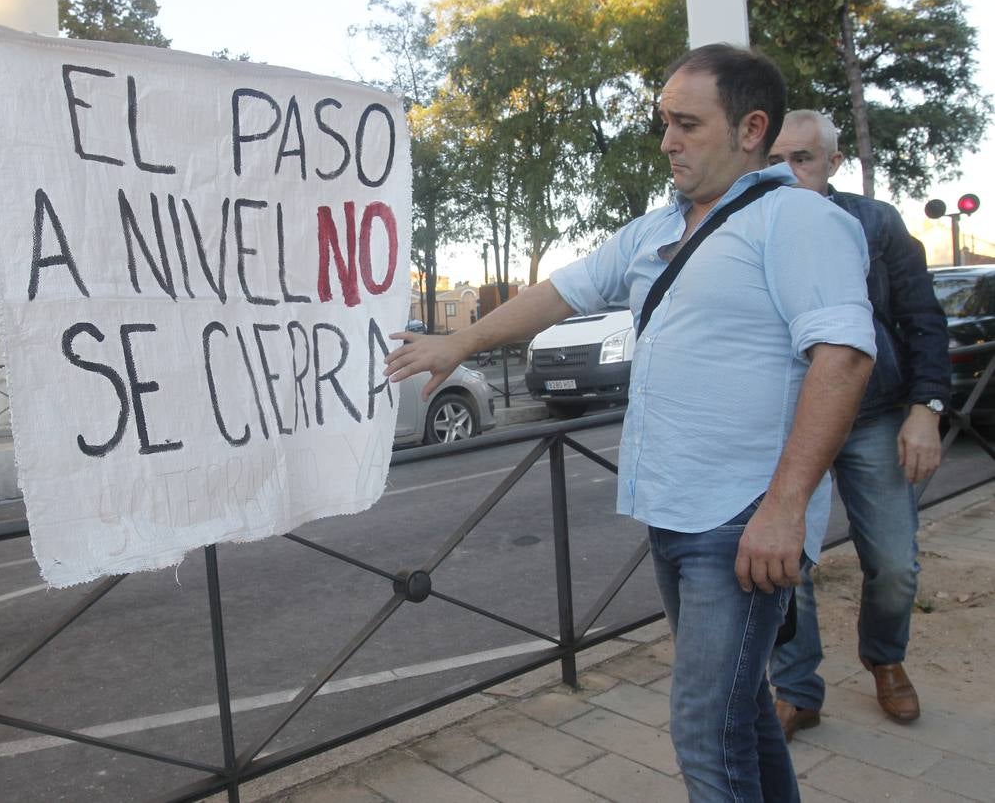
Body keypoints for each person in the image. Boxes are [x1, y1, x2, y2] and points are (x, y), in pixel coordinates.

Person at [384, 44, 877, 801]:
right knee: (739, 716)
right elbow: (561, 292)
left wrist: (785, 508)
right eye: (663, 124)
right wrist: (460, 341)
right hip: (675, 513)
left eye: (686, 124)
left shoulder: (798, 220)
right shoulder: (655, 229)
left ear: (751, 129)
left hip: (742, 521)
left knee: (704, 735)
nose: (667, 141)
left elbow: (843, 358)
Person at [767, 110, 949, 738]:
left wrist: (926, 409)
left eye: (803, 160)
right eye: (775, 161)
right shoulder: (754, 227)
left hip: (874, 415)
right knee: (789, 560)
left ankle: (886, 658)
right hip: (794, 423)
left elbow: (924, 317)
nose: (788, 175)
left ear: (833, 163)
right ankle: (796, 689)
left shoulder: (875, 222)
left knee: (895, 563)